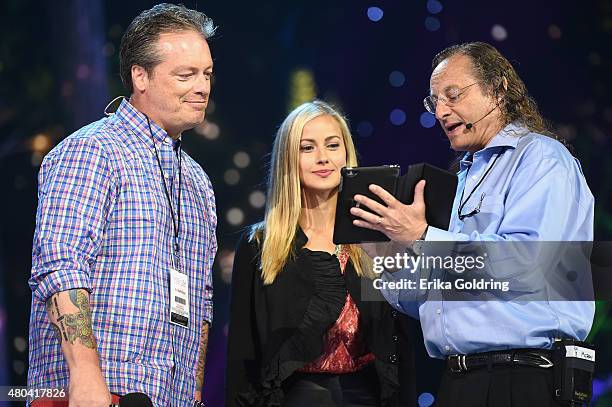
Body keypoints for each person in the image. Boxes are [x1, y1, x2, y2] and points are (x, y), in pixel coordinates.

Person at [350, 42, 595, 406]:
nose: (441, 112)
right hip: (461, 380)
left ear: (498, 89)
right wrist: (387, 255)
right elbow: (436, 297)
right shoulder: (464, 177)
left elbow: (527, 265)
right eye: (434, 102)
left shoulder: (541, 158)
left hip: (526, 378)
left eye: (453, 95)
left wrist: (421, 235)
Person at [28, 4, 217, 406]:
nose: (202, 86)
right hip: (92, 392)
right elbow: (61, 267)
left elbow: (200, 299)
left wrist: (193, 392)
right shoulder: (91, 150)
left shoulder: (199, 183)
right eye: (186, 75)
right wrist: (85, 378)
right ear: (140, 76)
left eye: (207, 73)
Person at [225, 100, 416, 406]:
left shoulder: (374, 242)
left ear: (346, 153)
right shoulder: (261, 245)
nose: (323, 158)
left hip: (366, 396)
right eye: (307, 148)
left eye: (332, 145)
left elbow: (399, 341)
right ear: (289, 158)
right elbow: (242, 354)